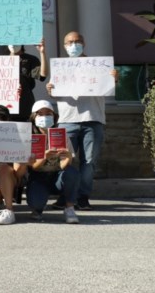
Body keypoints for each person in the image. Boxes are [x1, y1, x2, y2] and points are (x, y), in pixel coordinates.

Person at [45, 31, 116, 210]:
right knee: (63, 160)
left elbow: (108, 87)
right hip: (67, 120)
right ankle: (65, 195)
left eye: (77, 41)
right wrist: (49, 89)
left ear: (83, 43)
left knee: (89, 162)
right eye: (70, 42)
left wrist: (114, 79)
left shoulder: (99, 67)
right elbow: (55, 93)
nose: (73, 45)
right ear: (64, 45)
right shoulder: (60, 68)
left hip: (92, 119)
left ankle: (83, 196)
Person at [25, 100, 80, 223]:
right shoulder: (29, 138)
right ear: (34, 117)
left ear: (54, 116)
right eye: (40, 114)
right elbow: (33, 167)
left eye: (48, 113)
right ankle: (37, 209)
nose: (44, 117)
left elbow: (63, 166)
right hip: (38, 176)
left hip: (57, 176)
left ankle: (69, 208)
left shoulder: (61, 135)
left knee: (72, 172)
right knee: (36, 203)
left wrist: (68, 157)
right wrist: (45, 156)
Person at [9, 41, 47, 122]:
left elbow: (42, 76)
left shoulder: (30, 59)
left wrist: (42, 53)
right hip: (5, 110)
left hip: (24, 106)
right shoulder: (0, 60)